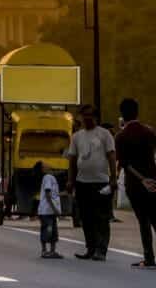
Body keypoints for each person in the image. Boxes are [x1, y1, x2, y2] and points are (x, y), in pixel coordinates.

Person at [67, 104, 117, 261]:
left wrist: (113, 178)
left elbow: (111, 156)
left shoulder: (104, 134)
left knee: (101, 217)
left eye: (90, 115)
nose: (87, 118)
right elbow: (72, 160)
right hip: (82, 182)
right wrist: (70, 180)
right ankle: (91, 248)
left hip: (101, 182)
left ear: (96, 117)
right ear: (81, 117)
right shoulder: (77, 136)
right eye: (84, 115)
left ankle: (101, 250)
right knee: (86, 217)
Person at [115, 98, 156, 269]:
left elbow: (124, 163)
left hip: (135, 184)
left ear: (122, 114)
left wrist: (141, 179)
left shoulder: (121, 136)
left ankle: (149, 257)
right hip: (154, 181)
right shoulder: (150, 132)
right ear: (137, 112)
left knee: (143, 221)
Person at [35, 161, 63, 259]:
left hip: (49, 211)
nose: (48, 163)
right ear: (43, 169)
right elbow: (48, 194)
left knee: (53, 231)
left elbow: (53, 194)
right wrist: (55, 209)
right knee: (48, 230)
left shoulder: (50, 177)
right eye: (45, 164)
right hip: (47, 211)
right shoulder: (48, 177)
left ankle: (52, 251)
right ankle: (45, 251)